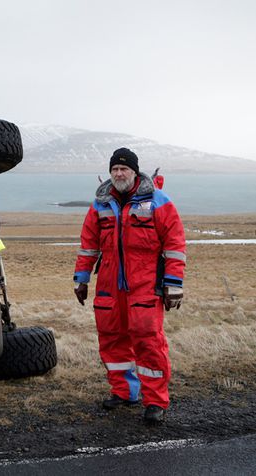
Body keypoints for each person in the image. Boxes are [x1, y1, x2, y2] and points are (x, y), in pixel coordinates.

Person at [73, 148, 186, 423]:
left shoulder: (158, 201)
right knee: (111, 338)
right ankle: (124, 392)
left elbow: (174, 245)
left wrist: (173, 283)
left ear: (135, 172)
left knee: (148, 341)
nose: (119, 174)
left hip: (145, 284)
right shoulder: (100, 204)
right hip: (109, 284)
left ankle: (155, 402)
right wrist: (82, 278)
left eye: (124, 169)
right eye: (114, 170)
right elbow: (88, 245)